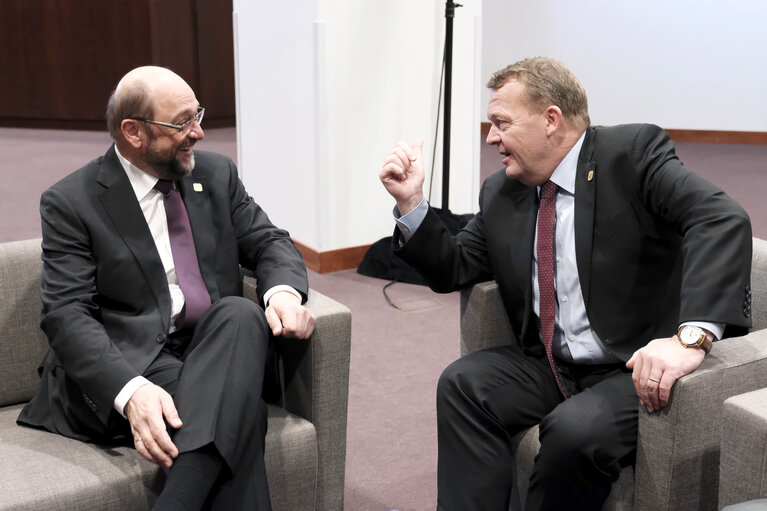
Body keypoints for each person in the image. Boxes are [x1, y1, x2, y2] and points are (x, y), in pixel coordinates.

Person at [379, 57, 752, 510]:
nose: (490, 136)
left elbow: (719, 217)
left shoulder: (629, 154)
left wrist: (689, 338)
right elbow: (455, 266)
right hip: (553, 363)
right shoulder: (503, 191)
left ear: (551, 119)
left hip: (631, 363)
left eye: (501, 122)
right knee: (463, 384)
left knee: (574, 432)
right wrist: (413, 204)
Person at [17, 66, 315, 510]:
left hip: (212, 347)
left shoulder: (215, 175)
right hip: (135, 357)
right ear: (133, 132)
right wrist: (130, 391)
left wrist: (285, 293)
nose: (198, 132)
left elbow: (268, 240)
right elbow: (66, 315)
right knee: (241, 411)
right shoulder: (72, 201)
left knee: (239, 312)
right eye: (181, 123)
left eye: (198, 115)